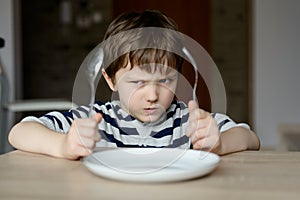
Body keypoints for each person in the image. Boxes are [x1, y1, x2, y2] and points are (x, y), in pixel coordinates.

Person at [8, 10, 260, 160]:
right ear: (110, 79)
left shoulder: (187, 122)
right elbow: (19, 132)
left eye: (165, 80)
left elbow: (250, 137)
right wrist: (63, 146)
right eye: (137, 82)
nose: (152, 95)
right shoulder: (97, 118)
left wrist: (220, 143)